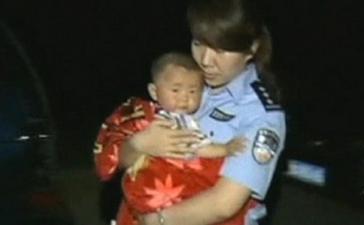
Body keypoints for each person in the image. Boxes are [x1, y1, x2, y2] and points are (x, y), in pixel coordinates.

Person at [95, 0, 286, 224]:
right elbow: (123, 162)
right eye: (198, 43)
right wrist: (138, 145)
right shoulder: (186, 81)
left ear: (251, 48)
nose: (205, 61)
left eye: (221, 50)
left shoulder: (262, 115)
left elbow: (223, 204)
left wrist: (154, 221)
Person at [94, 52, 246, 225]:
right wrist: (139, 143)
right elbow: (109, 157)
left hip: (180, 204)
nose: (184, 98)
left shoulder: (193, 121)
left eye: (193, 91)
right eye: (175, 90)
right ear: (154, 91)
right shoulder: (138, 115)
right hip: (140, 200)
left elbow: (201, 147)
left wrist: (226, 149)